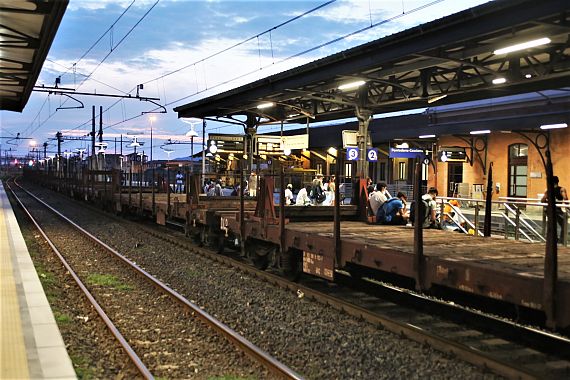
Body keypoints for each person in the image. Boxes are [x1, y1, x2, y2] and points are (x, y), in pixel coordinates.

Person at [541, 176, 568, 242]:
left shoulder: (548, 190)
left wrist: (546, 204)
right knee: (563, 224)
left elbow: (542, 200)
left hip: (549, 210)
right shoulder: (562, 189)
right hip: (557, 210)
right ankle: (561, 239)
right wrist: (568, 207)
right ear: (558, 181)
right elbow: (565, 199)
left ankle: (553, 239)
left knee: (552, 224)